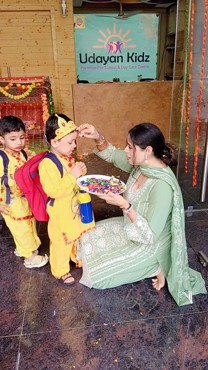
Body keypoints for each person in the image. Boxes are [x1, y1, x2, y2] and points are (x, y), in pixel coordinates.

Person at [77, 122, 207, 306]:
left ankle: (157, 266)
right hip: (131, 228)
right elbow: (114, 155)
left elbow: (150, 235)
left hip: (150, 244)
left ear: (147, 151)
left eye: (131, 147)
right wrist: (98, 136)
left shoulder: (162, 186)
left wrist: (125, 206)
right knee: (86, 235)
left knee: (97, 277)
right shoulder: (142, 166)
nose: (126, 150)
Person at [39, 113, 95, 286]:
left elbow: (74, 179)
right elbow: (54, 190)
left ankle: (77, 259)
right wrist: (73, 176)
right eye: (70, 142)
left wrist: (80, 172)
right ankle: (60, 271)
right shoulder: (47, 164)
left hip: (74, 208)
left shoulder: (66, 157)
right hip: (61, 212)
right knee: (61, 241)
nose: (74, 145)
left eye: (74, 141)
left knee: (77, 234)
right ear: (54, 142)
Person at [0, 115, 48, 268]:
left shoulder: (23, 153)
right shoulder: (2, 158)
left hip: (25, 198)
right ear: (2, 140)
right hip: (10, 201)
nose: (19, 142)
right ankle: (30, 257)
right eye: (13, 139)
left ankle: (23, 248)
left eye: (21, 137)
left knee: (28, 224)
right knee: (21, 228)